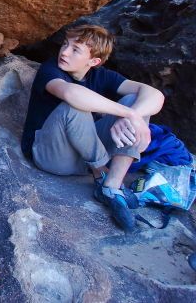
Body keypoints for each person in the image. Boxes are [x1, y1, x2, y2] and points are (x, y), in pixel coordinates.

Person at [21, 24, 165, 231]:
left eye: (75, 49)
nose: (65, 52)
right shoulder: (50, 69)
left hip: (84, 156)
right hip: (52, 156)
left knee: (136, 101)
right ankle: (101, 172)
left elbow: (154, 94)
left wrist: (133, 114)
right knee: (75, 107)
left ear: (94, 61)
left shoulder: (102, 76)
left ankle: (112, 186)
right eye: (65, 44)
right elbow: (71, 94)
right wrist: (127, 114)